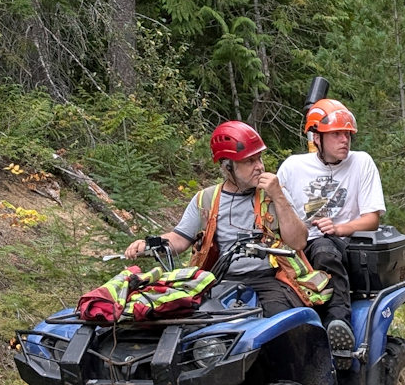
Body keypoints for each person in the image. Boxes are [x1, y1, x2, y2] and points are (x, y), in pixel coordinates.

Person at [124, 121, 337, 327]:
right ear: (227, 166)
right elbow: (180, 239)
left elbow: (299, 241)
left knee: (284, 324)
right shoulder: (206, 199)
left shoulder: (273, 193)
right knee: (195, 324)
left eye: (259, 159)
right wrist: (149, 244)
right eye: (249, 161)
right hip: (220, 279)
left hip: (269, 278)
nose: (259, 167)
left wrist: (279, 197)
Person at [277, 98, 386, 345]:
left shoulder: (361, 162)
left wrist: (340, 228)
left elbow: (372, 219)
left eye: (347, 134)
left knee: (325, 248)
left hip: (341, 244)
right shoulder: (293, 167)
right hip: (297, 246)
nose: (344, 140)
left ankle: (339, 325)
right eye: (336, 134)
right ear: (317, 138)